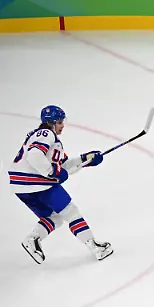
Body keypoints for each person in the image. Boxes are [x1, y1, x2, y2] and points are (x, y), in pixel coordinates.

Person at [8, 105, 113, 264]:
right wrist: (51, 172)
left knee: (54, 217)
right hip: (37, 183)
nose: (62, 125)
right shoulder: (46, 133)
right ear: (50, 123)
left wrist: (86, 159)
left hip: (21, 186)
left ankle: (32, 239)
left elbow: (63, 166)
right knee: (71, 212)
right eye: (59, 122)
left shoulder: (51, 141)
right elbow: (35, 155)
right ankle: (95, 247)